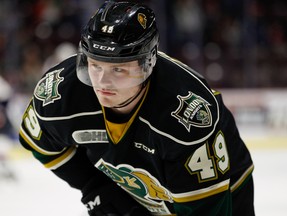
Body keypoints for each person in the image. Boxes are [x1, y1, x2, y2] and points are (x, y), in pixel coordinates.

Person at [19, 1, 255, 215]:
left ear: (147, 64)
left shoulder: (185, 115)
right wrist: (95, 186)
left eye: (118, 69)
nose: (102, 82)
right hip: (141, 194)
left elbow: (205, 208)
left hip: (219, 193)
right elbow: (38, 141)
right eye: (95, 65)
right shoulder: (62, 93)